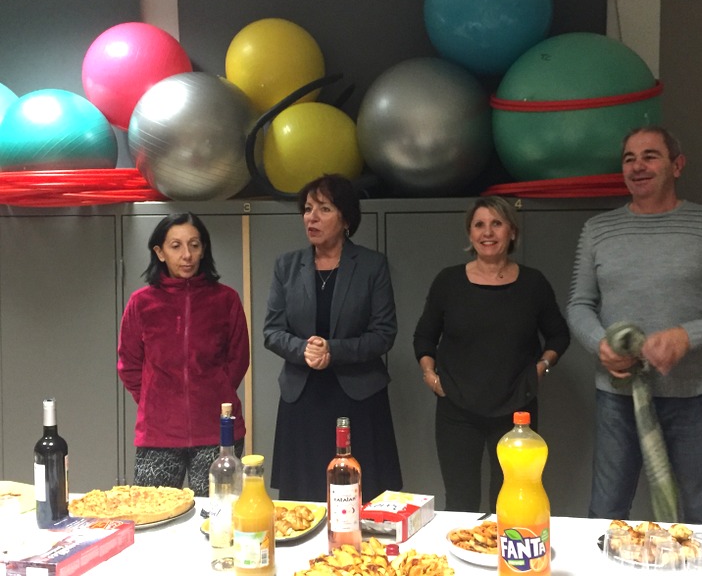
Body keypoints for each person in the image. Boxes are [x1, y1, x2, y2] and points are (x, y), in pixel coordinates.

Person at [566, 126, 702, 524]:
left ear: (677, 165)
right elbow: (579, 304)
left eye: (650, 156)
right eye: (629, 159)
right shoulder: (598, 230)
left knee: (698, 514)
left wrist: (688, 335)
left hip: (692, 394)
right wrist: (600, 343)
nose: (638, 166)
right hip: (618, 395)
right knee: (606, 512)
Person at [413, 196, 570, 512]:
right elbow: (424, 337)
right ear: (470, 233)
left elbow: (559, 335)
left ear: (512, 232)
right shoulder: (448, 282)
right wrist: (430, 376)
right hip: (457, 410)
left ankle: (506, 547)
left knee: (512, 500)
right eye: (479, 225)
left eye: (497, 223)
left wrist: (541, 366)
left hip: (516, 412)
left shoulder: (533, 283)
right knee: (461, 501)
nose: (488, 232)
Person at [264, 173, 402, 502]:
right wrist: (303, 349)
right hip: (302, 397)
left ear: (346, 219)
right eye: (307, 209)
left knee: (360, 495)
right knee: (304, 497)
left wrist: (333, 350)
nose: (311, 217)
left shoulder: (371, 265)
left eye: (324, 209)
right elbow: (272, 331)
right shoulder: (287, 265)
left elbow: (383, 334)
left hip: (358, 398)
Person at [118, 212, 250, 496]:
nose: (187, 255)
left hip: (217, 432)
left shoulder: (226, 299)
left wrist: (215, 391)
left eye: (194, 245)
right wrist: (154, 398)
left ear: (204, 249)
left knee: (217, 514)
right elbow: (128, 364)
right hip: (158, 434)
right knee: (154, 514)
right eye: (175, 246)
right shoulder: (141, 303)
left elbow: (238, 359)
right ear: (160, 252)